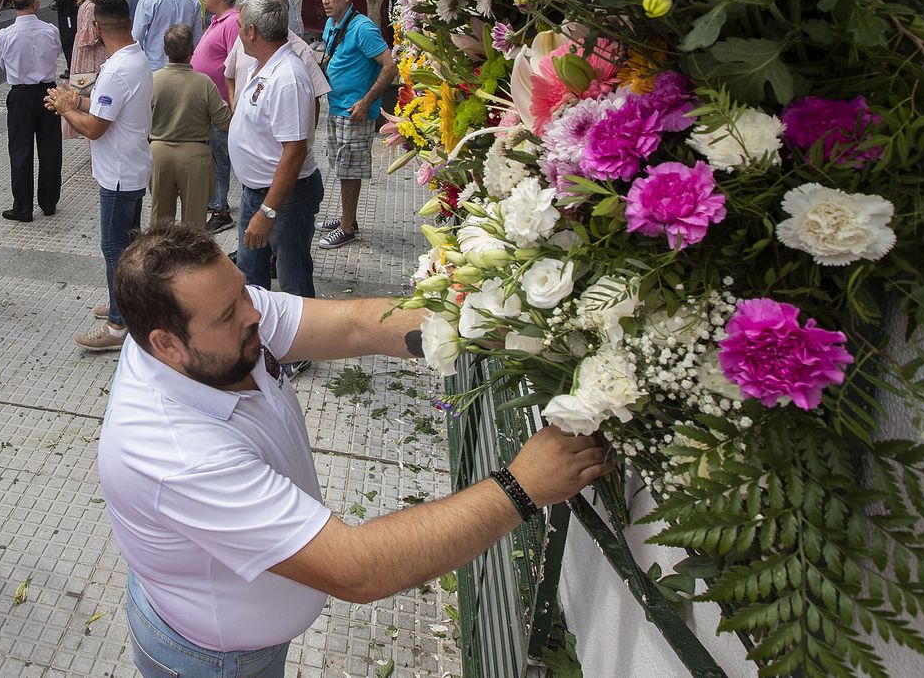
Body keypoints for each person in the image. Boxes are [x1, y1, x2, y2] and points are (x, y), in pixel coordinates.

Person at [101, 224, 610, 678]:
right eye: (228, 314)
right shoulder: (177, 457)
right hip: (214, 661)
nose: (255, 312)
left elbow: (354, 325)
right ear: (166, 344)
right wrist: (521, 488)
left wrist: (488, 325)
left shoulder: (207, 330)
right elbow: (356, 568)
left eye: (243, 293)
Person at [46, 0, 151, 353]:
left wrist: (65, 108)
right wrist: (77, 101)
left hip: (119, 174)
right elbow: (107, 108)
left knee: (115, 249)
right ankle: (123, 300)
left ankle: (118, 325)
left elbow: (93, 129)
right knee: (128, 245)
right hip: (130, 166)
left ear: (95, 29)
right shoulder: (134, 58)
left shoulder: (118, 69)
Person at [228, 0, 324, 302]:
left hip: (284, 198)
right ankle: (262, 340)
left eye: (240, 26)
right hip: (257, 191)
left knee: (292, 277)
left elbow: (294, 151)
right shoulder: (264, 64)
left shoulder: (288, 78)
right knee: (251, 273)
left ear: (253, 32)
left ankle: (304, 347)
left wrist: (267, 213)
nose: (238, 32)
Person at [315, 0, 396, 250]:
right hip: (336, 107)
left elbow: (389, 66)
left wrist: (365, 101)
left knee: (350, 170)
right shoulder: (332, 24)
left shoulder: (363, 28)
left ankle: (347, 228)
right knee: (341, 167)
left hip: (354, 112)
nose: (325, 0)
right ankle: (345, 219)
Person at [148, 25, 230, 232]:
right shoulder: (204, 83)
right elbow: (224, 121)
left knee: (160, 221)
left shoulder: (153, 81)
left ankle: (161, 262)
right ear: (192, 50)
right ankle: (191, 263)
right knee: (194, 225)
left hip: (159, 152)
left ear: (165, 50)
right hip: (196, 155)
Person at [0, 0, 62, 224]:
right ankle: (49, 201)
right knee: (50, 148)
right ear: (36, 4)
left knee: (20, 151)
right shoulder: (50, 30)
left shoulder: (5, 35)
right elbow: (56, 54)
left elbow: (0, 62)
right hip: (48, 90)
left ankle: (23, 206)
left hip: (20, 92)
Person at [192, 0, 242, 234]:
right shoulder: (216, 20)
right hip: (209, 104)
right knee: (213, 155)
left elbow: (236, 64)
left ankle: (221, 209)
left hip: (221, 104)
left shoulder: (232, 22)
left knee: (220, 157)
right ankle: (216, 200)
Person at [132, 0, 203, 72]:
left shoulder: (148, 0)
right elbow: (196, 36)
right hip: (185, 65)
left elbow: (137, 36)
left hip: (156, 66)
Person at [67, 0, 113, 83]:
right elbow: (88, 40)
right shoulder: (91, 7)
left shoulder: (89, 4)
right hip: (92, 59)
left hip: (94, 56)